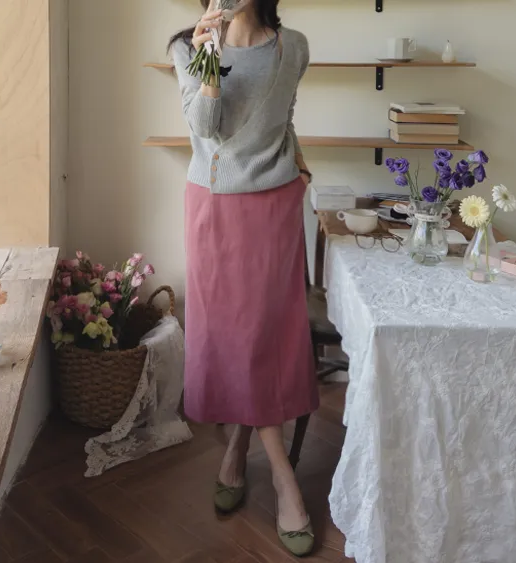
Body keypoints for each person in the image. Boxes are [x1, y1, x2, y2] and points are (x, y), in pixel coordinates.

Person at [168, 0, 318, 556]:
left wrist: (299, 164)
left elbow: (285, 116)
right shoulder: (186, 47)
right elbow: (208, 126)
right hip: (215, 207)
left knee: (266, 338)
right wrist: (208, 52)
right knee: (233, 337)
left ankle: (237, 446)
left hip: (275, 207)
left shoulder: (293, 46)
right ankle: (282, 476)